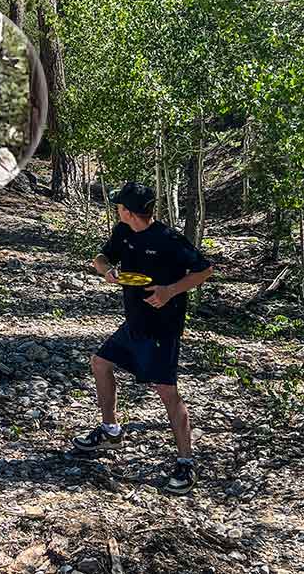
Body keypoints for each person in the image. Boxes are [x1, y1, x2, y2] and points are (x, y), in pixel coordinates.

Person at [72, 181, 214, 495]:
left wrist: (170, 291)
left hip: (163, 328)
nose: (117, 210)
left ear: (129, 210)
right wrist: (106, 271)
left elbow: (204, 270)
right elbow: (101, 258)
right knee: (100, 363)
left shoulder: (168, 239)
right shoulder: (123, 232)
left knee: (167, 392)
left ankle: (186, 462)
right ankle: (110, 430)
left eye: (119, 206)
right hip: (134, 323)